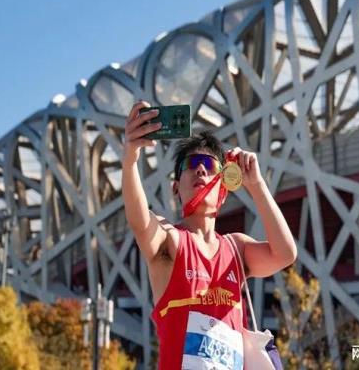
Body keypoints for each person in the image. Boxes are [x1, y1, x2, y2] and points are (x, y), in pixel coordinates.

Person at [122, 100, 297, 369]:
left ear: (223, 191)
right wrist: (130, 159)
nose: (201, 169)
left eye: (210, 165)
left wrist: (257, 185)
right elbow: (140, 222)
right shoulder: (171, 241)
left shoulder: (236, 249)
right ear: (176, 188)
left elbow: (284, 254)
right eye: (192, 163)